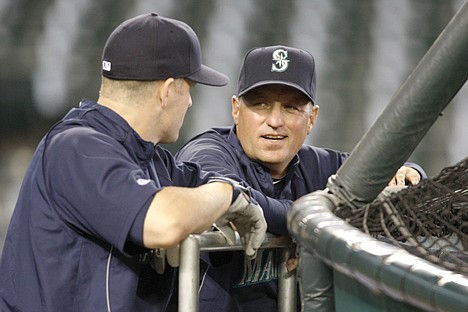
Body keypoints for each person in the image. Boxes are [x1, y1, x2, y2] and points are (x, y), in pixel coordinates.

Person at [0, 13, 268, 312]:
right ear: (167, 91)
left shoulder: (149, 158)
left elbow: (207, 187)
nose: (190, 102)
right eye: (189, 88)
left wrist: (236, 196)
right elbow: (165, 222)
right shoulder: (77, 148)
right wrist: (225, 195)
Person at [175, 45, 426, 311]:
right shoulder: (206, 154)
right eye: (260, 104)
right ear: (236, 109)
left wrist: (409, 173)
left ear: (312, 118)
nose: (275, 120)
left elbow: (388, 172)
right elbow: (233, 199)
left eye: (291, 107)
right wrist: (314, 225)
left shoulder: (316, 164)